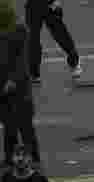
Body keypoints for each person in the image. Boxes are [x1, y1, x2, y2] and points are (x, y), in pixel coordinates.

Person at [0, 5, 40, 169]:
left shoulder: (20, 31)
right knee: (9, 126)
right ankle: (10, 159)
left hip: (19, 89)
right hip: (4, 87)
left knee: (25, 127)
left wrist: (12, 81)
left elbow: (22, 61)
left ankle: (34, 159)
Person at [25, 0, 80, 84]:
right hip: (38, 4)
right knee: (34, 38)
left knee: (59, 33)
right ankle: (34, 72)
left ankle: (74, 63)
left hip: (44, 4)